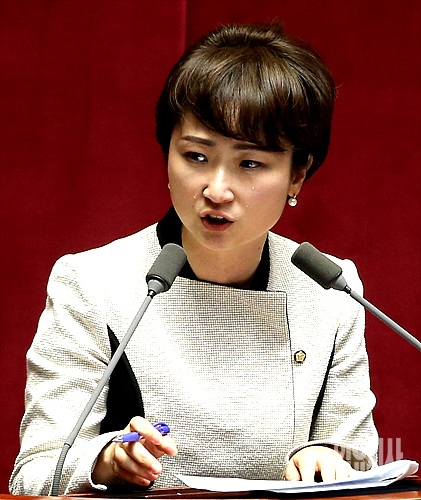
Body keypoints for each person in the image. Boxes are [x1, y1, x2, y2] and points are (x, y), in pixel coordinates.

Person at [10, 23, 378, 495]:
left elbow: (358, 460)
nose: (216, 190)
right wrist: (104, 462)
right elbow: (34, 474)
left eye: (250, 163)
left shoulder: (329, 290)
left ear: (297, 175)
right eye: (196, 156)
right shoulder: (92, 283)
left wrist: (330, 458)